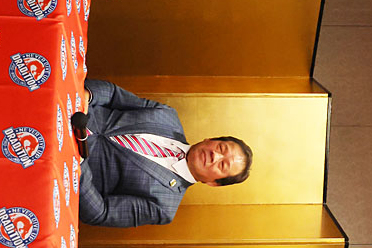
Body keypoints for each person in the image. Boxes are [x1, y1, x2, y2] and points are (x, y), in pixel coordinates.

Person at [79, 78, 252, 228]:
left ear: (213, 183)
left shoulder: (163, 206)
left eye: (222, 165)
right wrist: (87, 96)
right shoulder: (168, 116)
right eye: (221, 148)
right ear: (210, 139)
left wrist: (79, 163)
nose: (216, 156)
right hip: (73, 108)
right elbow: (114, 95)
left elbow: (101, 212)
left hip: (70, 164)